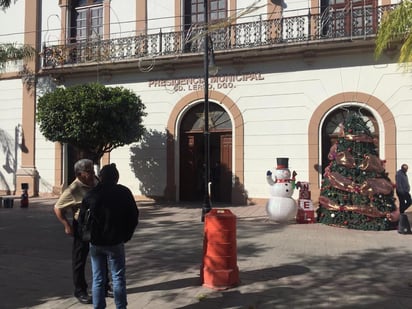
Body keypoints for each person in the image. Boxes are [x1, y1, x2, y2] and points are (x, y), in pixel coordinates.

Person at [80, 163, 138, 309]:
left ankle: (98, 307)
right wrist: (127, 235)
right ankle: (120, 307)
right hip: (115, 240)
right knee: (118, 277)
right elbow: (133, 216)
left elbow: (81, 219)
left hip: (96, 242)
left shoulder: (91, 194)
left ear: (100, 177)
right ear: (116, 178)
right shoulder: (124, 192)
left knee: (98, 278)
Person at [54, 158, 97, 304]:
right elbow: (57, 207)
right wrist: (67, 225)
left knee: (102, 255)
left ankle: (104, 286)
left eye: (93, 170)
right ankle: (80, 290)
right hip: (82, 226)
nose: (92, 174)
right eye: (89, 171)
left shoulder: (96, 181)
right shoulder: (73, 189)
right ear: (79, 174)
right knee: (80, 258)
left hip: (98, 225)